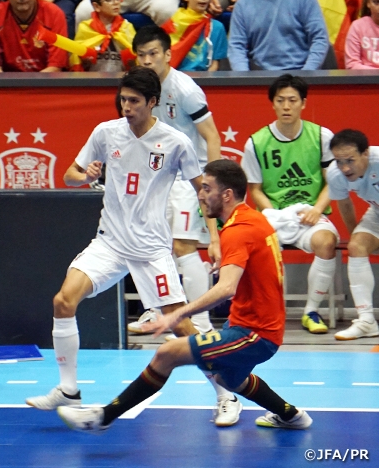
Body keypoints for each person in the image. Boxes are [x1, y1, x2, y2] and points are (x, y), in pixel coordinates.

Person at [26, 66, 231, 422]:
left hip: (152, 251)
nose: (126, 107)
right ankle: (69, 390)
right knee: (63, 301)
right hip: (110, 243)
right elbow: (69, 176)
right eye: (123, 99)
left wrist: (213, 236)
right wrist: (84, 175)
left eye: (135, 101)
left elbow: (204, 192)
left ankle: (226, 393)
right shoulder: (106, 133)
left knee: (183, 328)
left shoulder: (175, 142)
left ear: (153, 102)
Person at [57, 159, 314, 433]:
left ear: (226, 194)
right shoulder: (251, 219)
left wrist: (176, 314)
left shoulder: (239, 230)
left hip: (255, 334)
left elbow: (226, 288)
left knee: (168, 352)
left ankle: (102, 417)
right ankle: (292, 415)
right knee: (231, 379)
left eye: (206, 188)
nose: (200, 194)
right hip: (250, 325)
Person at [130, 24, 237, 426]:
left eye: (153, 54)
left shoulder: (187, 89)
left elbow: (210, 136)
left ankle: (201, 320)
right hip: (152, 180)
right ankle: (156, 307)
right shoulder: (136, 92)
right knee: (147, 246)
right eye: (141, 55)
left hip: (185, 177)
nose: (147, 61)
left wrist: (208, 185)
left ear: (168, 55)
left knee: (181, 247)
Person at [241, 74, 338, 335]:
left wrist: (317, 209)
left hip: (310, 214)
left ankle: (311, 311)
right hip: (273, 216)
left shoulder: (321, 136)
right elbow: (255, 190)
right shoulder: (256, 142)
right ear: (272, 103)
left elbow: (332, 183)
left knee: (327, 242)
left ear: (303, 103)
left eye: (292, 100)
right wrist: (273, 213)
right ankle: (263, 312)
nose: (286, 106)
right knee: (249, 246)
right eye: (280, 100)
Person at [326, 129, 379, 340]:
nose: (345, 168)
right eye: (339, 161)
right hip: (376, 214)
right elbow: (346, 206)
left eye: (350, 160)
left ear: (365, 153)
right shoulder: (335, 174)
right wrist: (358, 236)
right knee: (356, 246)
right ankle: (366, 321)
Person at [228, 0, 329, 71]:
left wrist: (307, 74)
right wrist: (244, 78)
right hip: (260, 75)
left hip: (300, 72)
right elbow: (236, 46)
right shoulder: (243, 4)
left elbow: (319, 38)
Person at [0, 0, 68, 72]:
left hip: (45, 83)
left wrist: (33, 86)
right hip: (7, 83)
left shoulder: (54, 14)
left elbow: (55, 67)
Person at [69, 0, 135, 72]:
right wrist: (84, 58)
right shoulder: (86, 27)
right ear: (96, 6)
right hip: (92, 80)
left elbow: (136, 56)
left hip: (122, 79)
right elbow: (76, 56)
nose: (116, 3)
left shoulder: (126, 27)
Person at [164, 0, 227, 72]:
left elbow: (214, 65)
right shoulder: (172, 22)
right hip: (174, 78)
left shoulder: (217, 27)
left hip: (204, 80)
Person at [345, 0, 379, 69]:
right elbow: (351, 65)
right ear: (368, 3)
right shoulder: (357, 27)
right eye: (376, 2)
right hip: (365, 80)